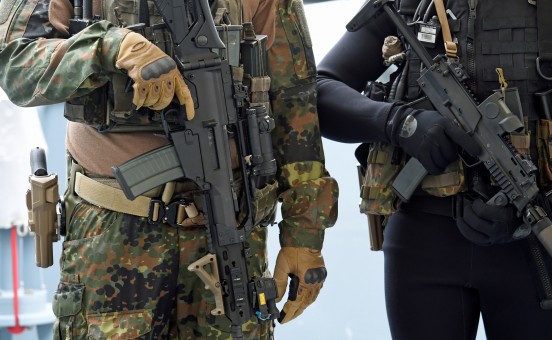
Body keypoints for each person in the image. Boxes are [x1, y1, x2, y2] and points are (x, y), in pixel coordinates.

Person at [0, 0, 338, 338]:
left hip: (230, 227)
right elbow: (16, 66)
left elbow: (293, 98)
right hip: (112, 235)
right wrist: (110, 47)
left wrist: (304, 234)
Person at [317, 0, 552, 339]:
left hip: (537, 244)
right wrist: (400, 123)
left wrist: (551, 206)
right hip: (423, 246)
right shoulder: (408, 5)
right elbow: (319, 90)